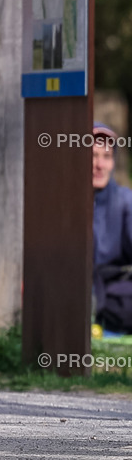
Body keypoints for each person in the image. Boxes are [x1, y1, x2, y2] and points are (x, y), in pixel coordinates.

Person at [91, 123, 132, 334]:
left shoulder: (125, 201)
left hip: (113, 290)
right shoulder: (64, 203)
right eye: (93, 155)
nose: (99, 165)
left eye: (106, 156)